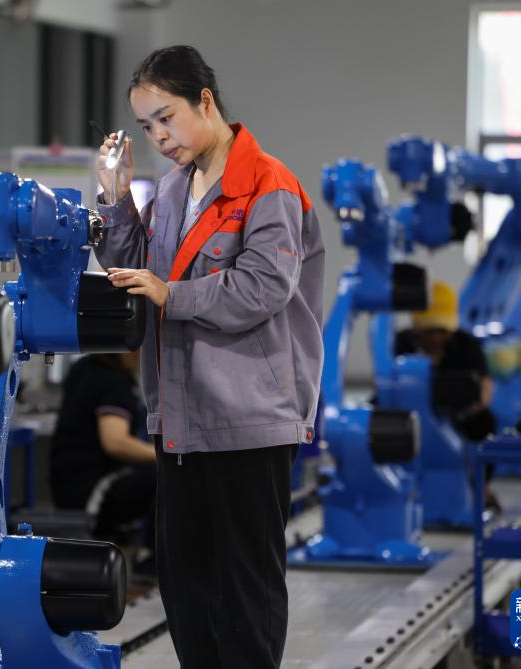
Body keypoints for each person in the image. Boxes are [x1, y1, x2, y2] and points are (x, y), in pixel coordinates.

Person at [95, 45, 325, 669]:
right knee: (186, 585)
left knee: (245, 585)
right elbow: (136, 271)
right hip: (179, 417)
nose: (159, 137)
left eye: (166, 118)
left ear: (205, 101)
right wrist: (116, 198)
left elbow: (263, 288)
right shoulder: (173, 190)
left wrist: (173, 294)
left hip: (250, 416)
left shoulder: (267, 185)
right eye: (146, 127)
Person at [395, 281, 499, 508]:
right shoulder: (400, 344)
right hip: (409, 413)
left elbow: (485, 387)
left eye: (441, 332)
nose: (435, 338)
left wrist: (471, 408)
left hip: (459, 415)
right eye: (429, 332)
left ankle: (481, 485)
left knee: (486, 423)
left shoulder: (467, 346)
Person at [50, 351, 156, 565]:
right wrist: (162, 456)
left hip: (66, 486)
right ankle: (149, 559)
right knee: (164, 477)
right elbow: (115, 442)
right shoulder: (113, 381)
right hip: (93, 492)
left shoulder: (84, 367)